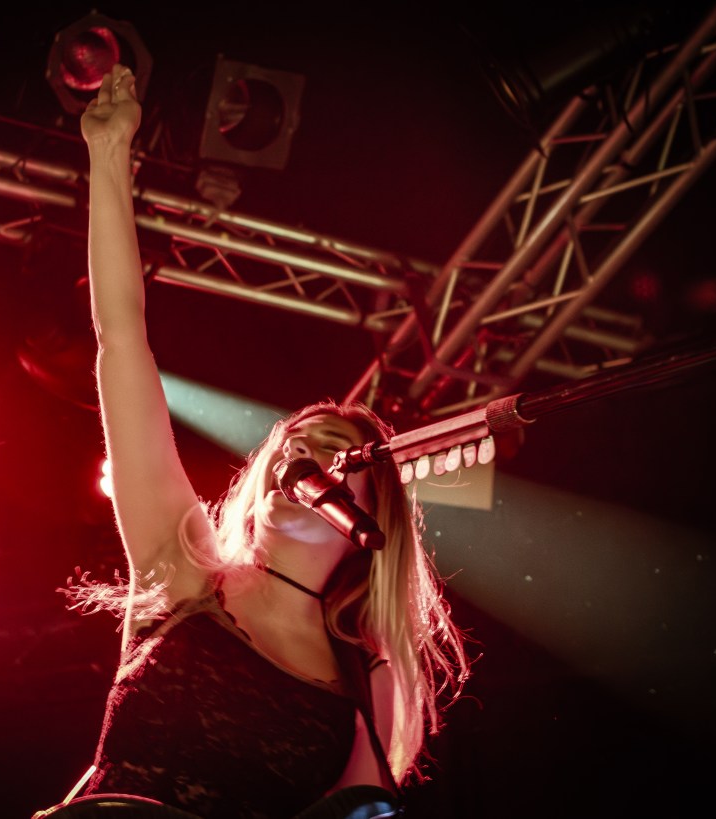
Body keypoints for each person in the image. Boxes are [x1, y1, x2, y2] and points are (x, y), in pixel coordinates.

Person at [36, 65, 470, 819]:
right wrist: (108, 155)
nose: (301, 460)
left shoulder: (365, 683)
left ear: (371, 511)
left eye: (332, 452)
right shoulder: (185, 572)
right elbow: (121, 338)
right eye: (292, 448)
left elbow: (364, 808)